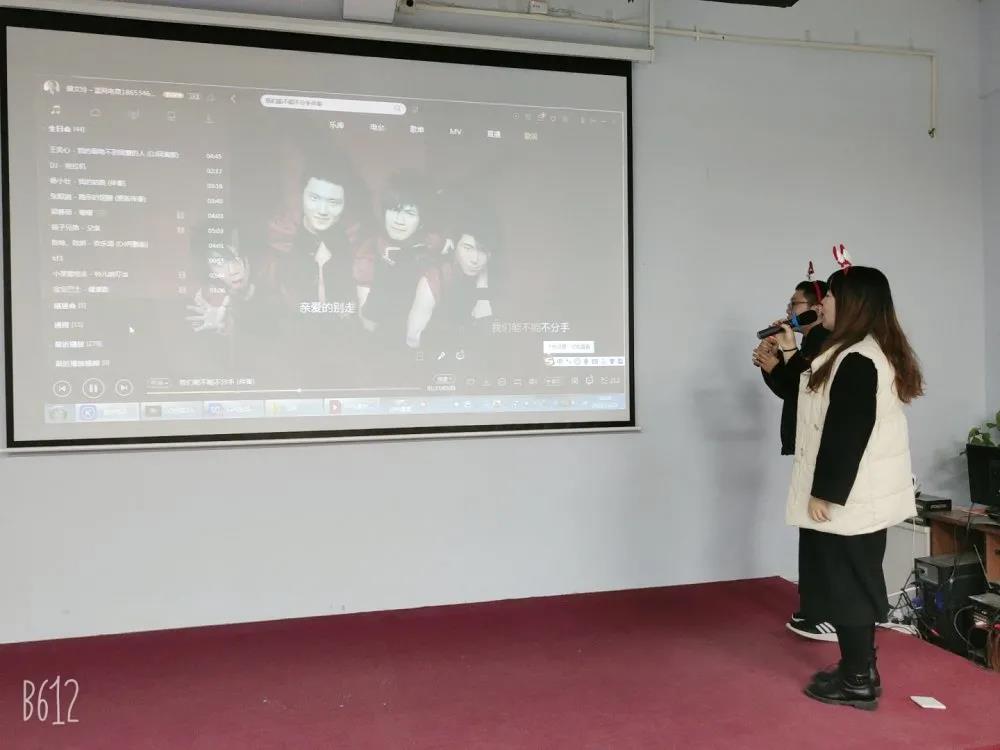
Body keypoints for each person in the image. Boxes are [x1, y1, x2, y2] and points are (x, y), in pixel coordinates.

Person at [776, 266, 922, 710]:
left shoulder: (859, 358)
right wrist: (789, 352)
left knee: (849, 585)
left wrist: (826, 493)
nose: (822, 303)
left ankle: (858, 679)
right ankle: (858, 669)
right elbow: (808, 397)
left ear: (853, 304)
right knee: (844, 581)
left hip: (852, 498)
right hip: (854, 495)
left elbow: (847, 433)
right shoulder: (849, 352)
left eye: (830, 297)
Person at [753, 280, 835, 641]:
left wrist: (777, 363)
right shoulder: (808, 343)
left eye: (795, 304)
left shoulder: (826, 344)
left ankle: (824, 612)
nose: (788, 311)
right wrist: (771, 365)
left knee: (820, 533)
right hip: (805, 445)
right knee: (810, 530)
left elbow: (805, 392)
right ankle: (813, 608)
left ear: (816, 308)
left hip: (821, 447)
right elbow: (791, 391)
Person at [405, 207, 496, 352]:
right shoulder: (433, 280)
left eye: (483, 250)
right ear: (454, 246)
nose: (475, 259)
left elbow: (486, 327)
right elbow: (413, 338)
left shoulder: (487, 273)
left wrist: (482, 283)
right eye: (467, 248)